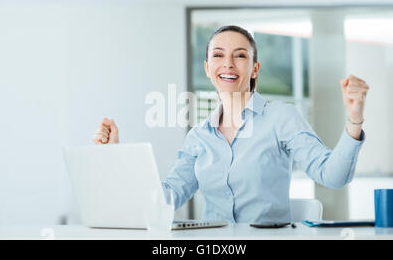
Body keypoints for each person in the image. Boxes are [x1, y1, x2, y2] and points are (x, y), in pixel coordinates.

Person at [92, 25, 369, 223]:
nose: (228, 64)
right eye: (218, 55)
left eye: (240, 55)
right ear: (207, 68)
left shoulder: (281, 117)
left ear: (254, 68)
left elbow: (332, 176)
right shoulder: (199, 136)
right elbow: (163, 201)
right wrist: (117, 156)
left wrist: (354, 119)